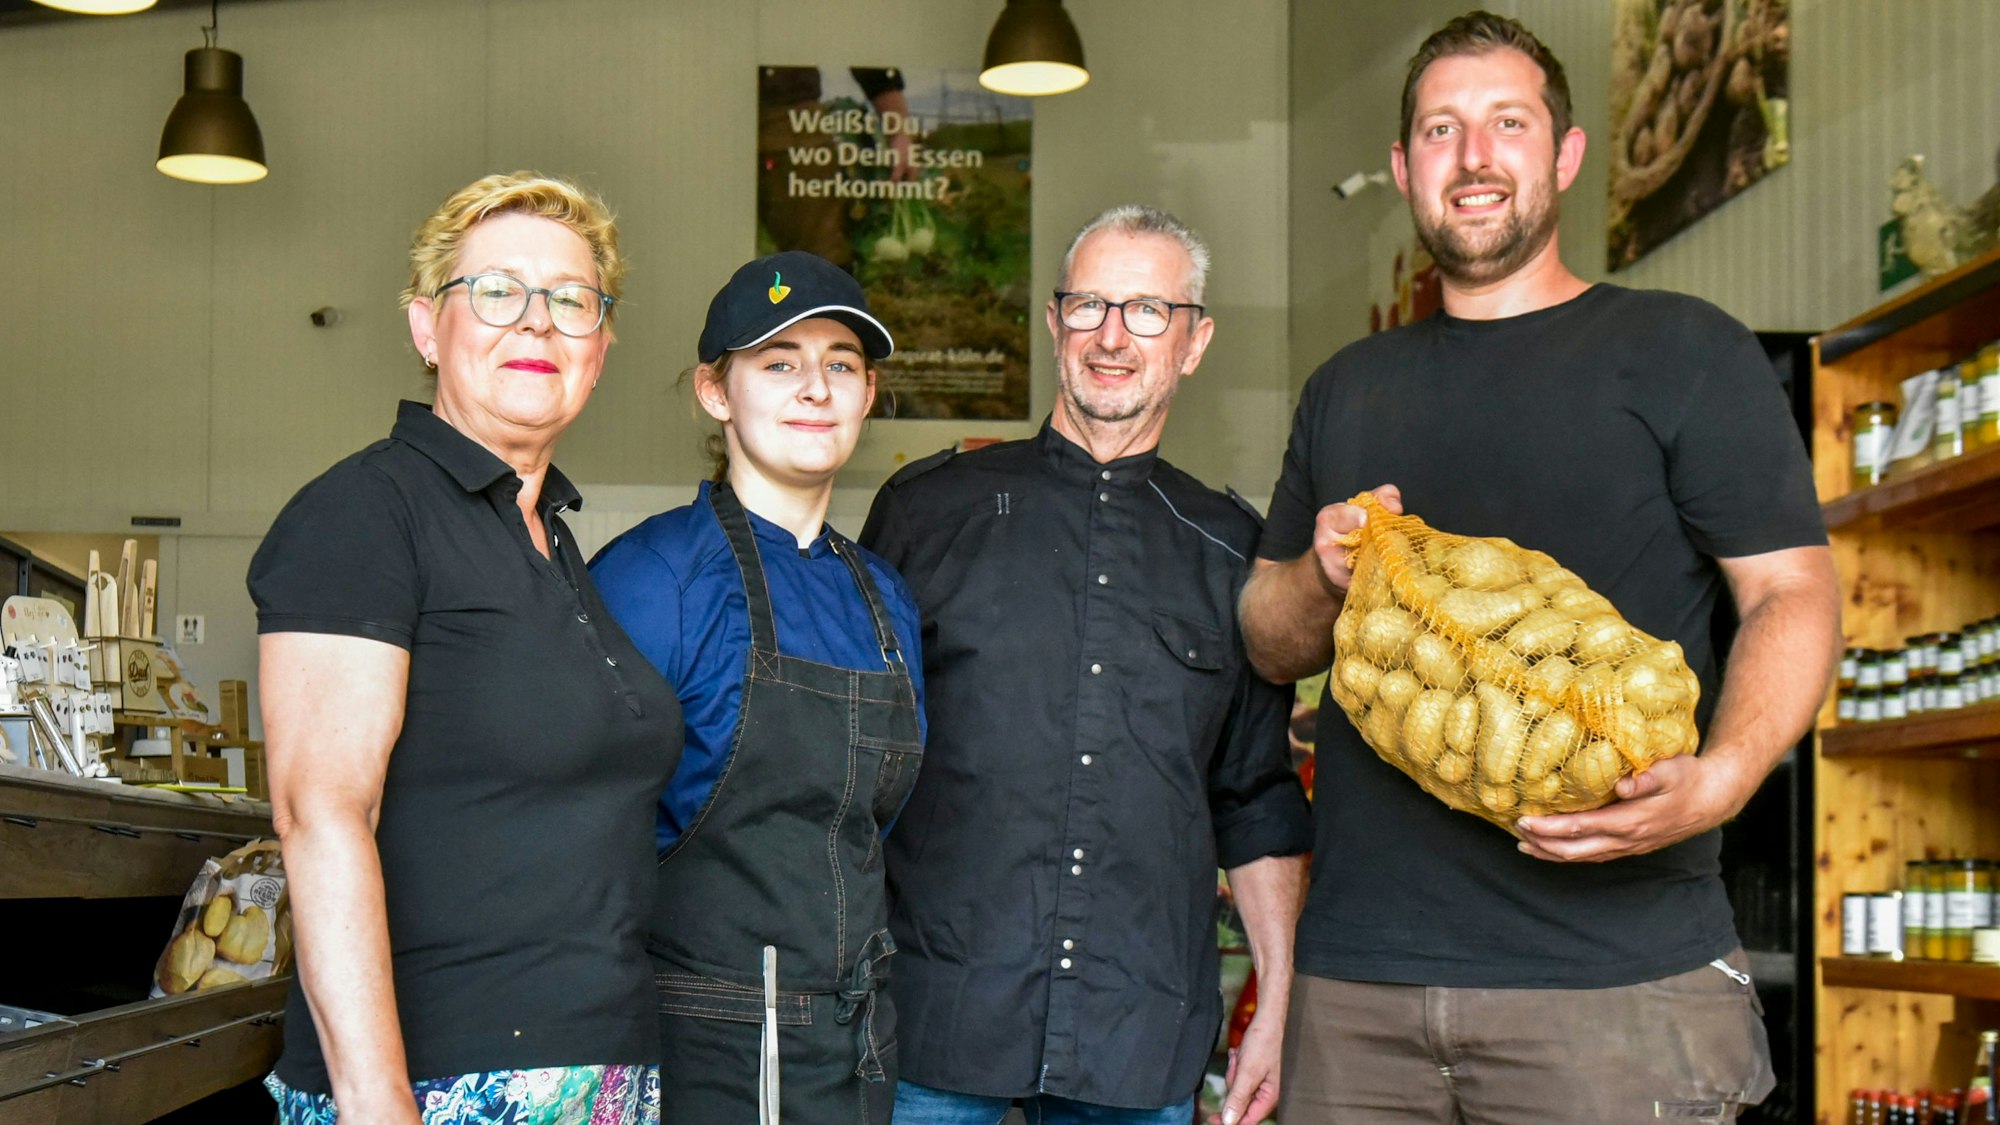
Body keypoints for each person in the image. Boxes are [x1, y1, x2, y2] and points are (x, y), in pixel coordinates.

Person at [1239, 13, 1841, 1123]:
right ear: (1402, 168)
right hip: (1361, 991)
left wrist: (1721, 779)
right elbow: (1269, 643)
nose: (1473, 157)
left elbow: (1791, 593)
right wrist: (1321, 575)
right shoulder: (1345, 388)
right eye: (1441, 130)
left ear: (1564, 155)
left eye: (1506, 124)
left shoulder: (1683, 351)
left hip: (1619, 986)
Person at [862, 205, 1314, 1125]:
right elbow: (854, 763)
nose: (1113, 336)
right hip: (936, 1022)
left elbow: (1254, 797)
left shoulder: (1234, 552)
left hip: (1137, 1036)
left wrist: (1278, 1001)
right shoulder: (925, 513)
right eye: (1089, 305)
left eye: (1148, 311)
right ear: (1053, 321)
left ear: (1194, 342)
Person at [251, 172, 675, 1124]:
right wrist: (376, 1100)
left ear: (601, 348)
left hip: (598, 1074)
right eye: (495, 291)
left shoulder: (550, 536)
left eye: (571, 300)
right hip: (444, 1085)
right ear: (425, 327)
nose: (536, 323)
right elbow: (320, 813)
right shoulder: (366, 512)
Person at [590, 250, 925, 1125]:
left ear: (867, 394)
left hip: (854, 1049)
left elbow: (869, 825)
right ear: (715, 391)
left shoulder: (885, 599)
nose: (815, 387)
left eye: (841, 365)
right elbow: (579, 841)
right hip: (701, 1049)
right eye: (779, 363)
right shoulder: (651, 579)